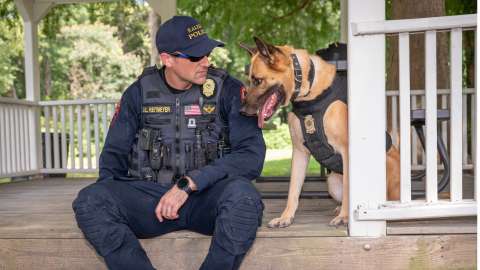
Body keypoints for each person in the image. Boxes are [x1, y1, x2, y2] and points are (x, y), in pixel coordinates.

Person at [72, 15, 266, 270]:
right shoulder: (138, 92)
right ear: (167, 59)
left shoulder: (227, 90)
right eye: (196, 57)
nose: (206, 62)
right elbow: (113, 157)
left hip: (205, 198)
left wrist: (192, 182)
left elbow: (251, 155)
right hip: (151, 202)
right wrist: (115, 204)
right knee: (90, 201)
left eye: (207, 53)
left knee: (245, 198)